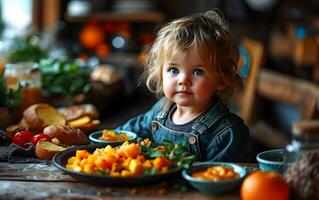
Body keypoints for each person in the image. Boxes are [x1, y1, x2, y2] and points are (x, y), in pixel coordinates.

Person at [116, 9, 252, 162]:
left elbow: (217, 179)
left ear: (221, 80)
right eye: (174, 70)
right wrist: (92, 141)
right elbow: (125, 134)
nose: (183, 80)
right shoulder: (161, 111)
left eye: (198, 72)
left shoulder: (227, 133)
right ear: (161, 74)